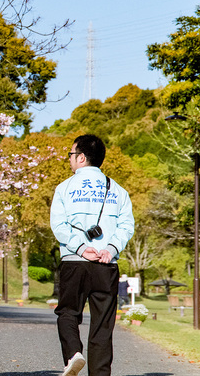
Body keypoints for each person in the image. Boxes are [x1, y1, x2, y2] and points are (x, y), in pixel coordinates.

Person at [50, 134, 135, 376]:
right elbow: (126, 226)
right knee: (102, 325)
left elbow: (59, 225)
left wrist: (79, 247)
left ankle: (73, 354)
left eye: (71, 154)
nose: (70, 159)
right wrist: (110, 249)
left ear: (82, 157)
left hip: (74, 262)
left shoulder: (64, 188)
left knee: (68, 312)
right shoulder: (118, 190)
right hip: (105, 265)